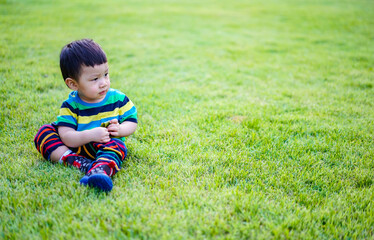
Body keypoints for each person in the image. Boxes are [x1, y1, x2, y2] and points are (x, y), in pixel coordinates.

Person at [34, 39, 137, 192]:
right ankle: (75, 161)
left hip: (105, 145)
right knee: (45, 133)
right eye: (95, 79)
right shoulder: (71, 106)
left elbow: (131, 121)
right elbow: (67, 137)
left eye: (106, 74)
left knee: (118, 145)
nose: (103, 83)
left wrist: (121, 130)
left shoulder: (118, 99)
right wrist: (90, 134)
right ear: (73, 84)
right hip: (76, 145)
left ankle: (100, 170)